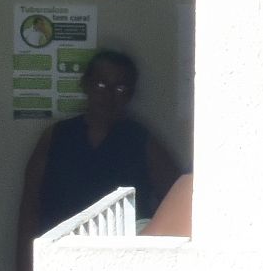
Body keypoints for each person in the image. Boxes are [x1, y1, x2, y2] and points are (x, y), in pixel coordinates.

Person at [19, 49, 183, 252]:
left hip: (119, 259)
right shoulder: (57, 137)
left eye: (120, 88)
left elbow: (178, 200)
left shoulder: (142, 141)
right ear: (85, 85)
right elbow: (30, 207)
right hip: (58, 256)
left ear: (131, 93)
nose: (109, 96)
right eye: (101, 85)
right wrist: (26, 268)